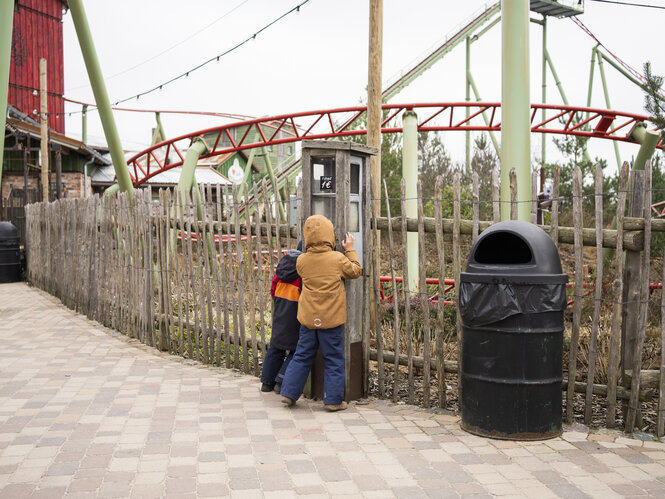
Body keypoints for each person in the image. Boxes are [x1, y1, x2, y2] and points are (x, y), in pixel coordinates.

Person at [279, 215, 362, 412]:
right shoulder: (338, 259)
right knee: (333, 358)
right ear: (330, 236)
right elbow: (356, 271)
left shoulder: (302, 261)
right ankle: (333, 400)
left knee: (302, 355)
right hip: (331, 319)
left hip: (308, 319)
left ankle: (289, 393)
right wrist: (349, 248)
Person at [260, 241, 303, 393]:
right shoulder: (302, 270)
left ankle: (266, 382)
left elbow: (273, 288)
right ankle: (281, 380)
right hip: (296, 312)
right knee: (297, 349)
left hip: (280, 309)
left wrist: (279, 302)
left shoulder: (282, 266)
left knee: (276, 346)